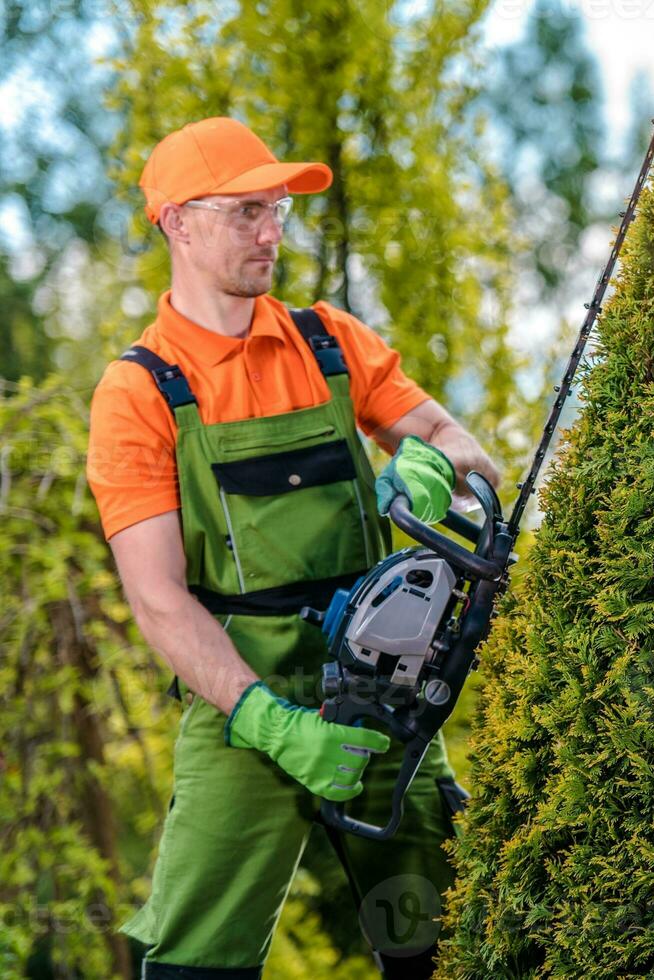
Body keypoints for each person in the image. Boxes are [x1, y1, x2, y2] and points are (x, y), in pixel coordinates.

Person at [85, 116, 500, 980]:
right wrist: (271, 723)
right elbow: (158, 597)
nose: (272, 231)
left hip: (386, 692)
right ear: (178, 222)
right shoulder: (140, 392)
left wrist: (428, 466)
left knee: (444, 943)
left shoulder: (330, 343)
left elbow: (469, 459)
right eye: (246, 212)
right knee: (195, 965)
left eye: (277, 209)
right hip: (243, 704)